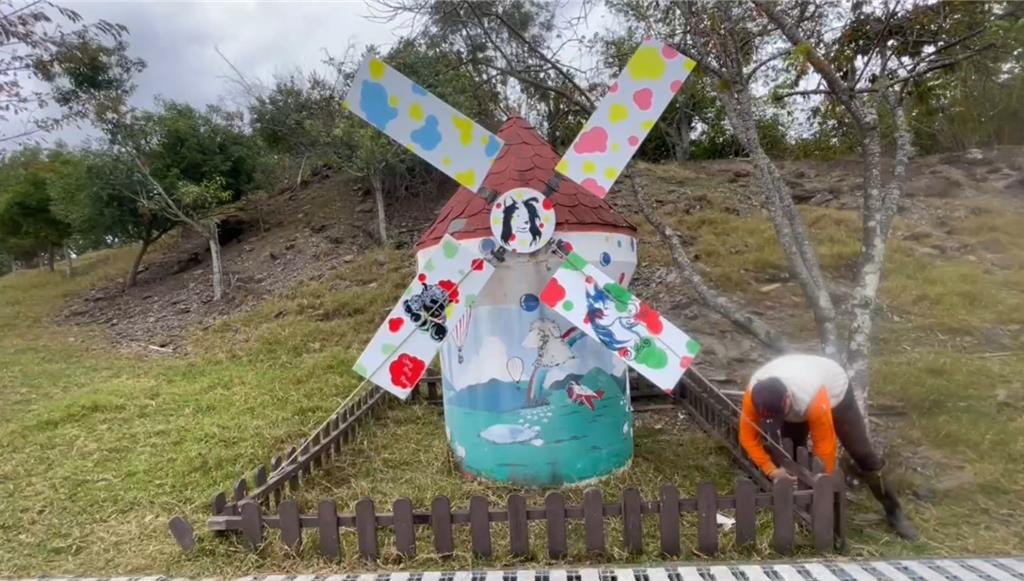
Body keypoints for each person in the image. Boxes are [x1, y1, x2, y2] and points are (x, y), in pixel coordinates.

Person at [738, 353, 918, 540]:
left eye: (779, 414)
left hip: (833, 389)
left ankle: (893, 511)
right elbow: (748, 438)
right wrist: (772, 471)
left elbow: (824, 445)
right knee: (792, 451)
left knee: (863, 454)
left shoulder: (812, 397)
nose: (777, 420)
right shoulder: (754, 396)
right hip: (798, 384)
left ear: (787, 398)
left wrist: (823, 483)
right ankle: (802, 502)